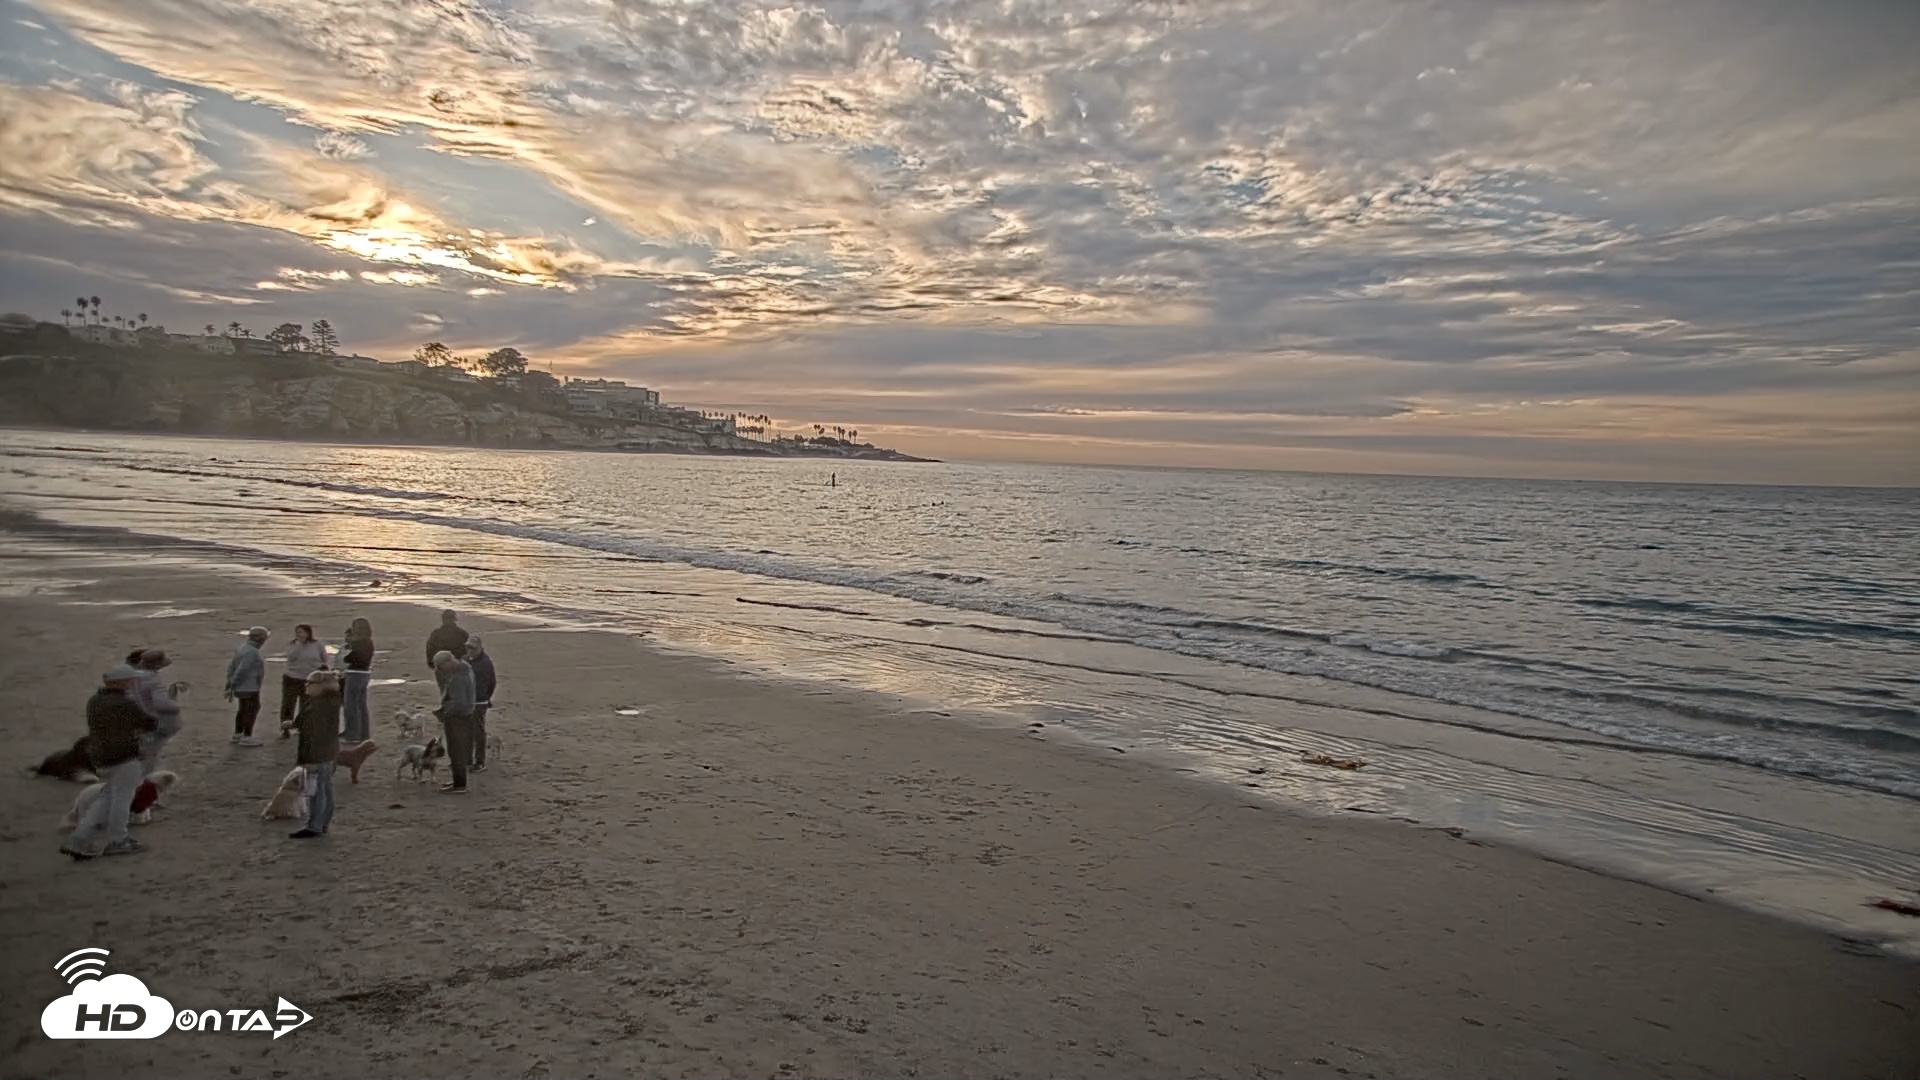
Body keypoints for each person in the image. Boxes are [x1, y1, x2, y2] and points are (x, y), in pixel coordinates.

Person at [60, 665, 158, 860]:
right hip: (123, 756)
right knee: (122, 798)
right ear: (121, 682)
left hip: (101, 757)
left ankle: (79, 838)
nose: (133, 683)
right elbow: (149, 723)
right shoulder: (124, 703)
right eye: (130, 680)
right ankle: (117, 840)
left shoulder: (95, 701)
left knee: (106, 799)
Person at [289, 670, 343, 839]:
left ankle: (315, 826)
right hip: (328, 751)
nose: (306, 686)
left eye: (309, 683)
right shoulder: (330, 701)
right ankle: (322, 823)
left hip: (317, 753)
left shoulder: (319, 706)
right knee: (326, 789)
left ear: (320, 685)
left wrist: (308, 759)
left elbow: (313, 733)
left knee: (317, 791)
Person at [129, 648, 182, 776]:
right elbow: (161, 703)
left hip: (136, 720)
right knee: (150, 754)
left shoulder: (133, 677)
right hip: (153, 722)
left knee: (140, 753)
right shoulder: (153, 681)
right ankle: (140, 783)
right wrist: (175, 705)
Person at [432, 649, 475, 794]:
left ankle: (460, 784)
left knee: (456, 751)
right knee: (458, 750)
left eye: (441, 667)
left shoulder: (458, 677)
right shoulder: (464, 669)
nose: (440, 670)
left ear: (448, 663)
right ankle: (458, 781)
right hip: (465, 714)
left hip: (458, 717)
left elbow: (459, 702)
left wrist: (446, 712)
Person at [279, 624, 327, 739]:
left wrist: (321, 670)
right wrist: (299, 644)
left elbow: (324, 659)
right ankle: (285, 728)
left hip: (309, 679)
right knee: (288, 704)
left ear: (308, 633)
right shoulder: (292, 644)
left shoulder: (317, 645)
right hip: (292, 678)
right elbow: (291, 657)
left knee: (306, 704)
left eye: (301, 632)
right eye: (297, 632)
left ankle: (302, 726)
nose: (298, 634)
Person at [225, 626, 270, 746]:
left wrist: (230, 681)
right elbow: (242, 669)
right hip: (249, 686)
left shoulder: (243, 648)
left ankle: (238, 734)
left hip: (242, 686)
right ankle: (247, 736)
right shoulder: (252, 652)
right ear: (260, 639)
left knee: (243, 709)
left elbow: (232, 666)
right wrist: (233, 682)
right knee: (252, 709)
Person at [339, 617, 375, 744]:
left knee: (351, 706)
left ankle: (352, 735)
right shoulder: (369, 641)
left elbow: (351, 658)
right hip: (365, 673)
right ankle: (364, 735)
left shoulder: (359, 642)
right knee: (361, 705)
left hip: (355, 673)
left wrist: (348, 653)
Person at [466, 636, 497, 772]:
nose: (470, 650)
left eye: (472, 648)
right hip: (466, 701)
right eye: (468, 647)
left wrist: (485, 697)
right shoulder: (466, 660)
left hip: (479, 701)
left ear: (479, 648)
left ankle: (480, 762)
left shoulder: (485, 662)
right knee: (467, 731)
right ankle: (467, 759)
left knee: (478, 732)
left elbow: (492, 682)